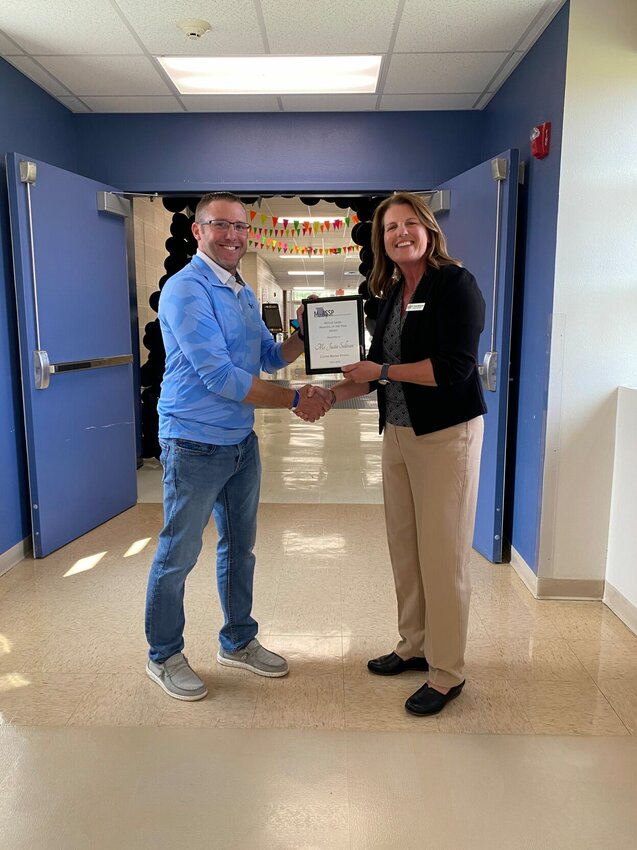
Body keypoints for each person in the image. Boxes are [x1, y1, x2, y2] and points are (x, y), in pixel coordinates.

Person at [145, 191, 330, 701]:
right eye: (220, 225)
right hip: (193, 441)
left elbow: (268, 356)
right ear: (197, 231)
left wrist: (306, 332)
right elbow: (222, 377)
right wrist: (297, 399)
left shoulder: (241, 290)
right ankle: (163, 654)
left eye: (241, 227)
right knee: (179, 553)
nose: (233, 235)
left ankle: (238, 641)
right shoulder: (186, 290)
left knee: (239, 549)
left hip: (239, 443)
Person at [314, 192, 486, 716]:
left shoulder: (455, 284)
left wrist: (382, 373)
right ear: (381, 240)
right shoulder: (387, 294)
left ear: (429, 230)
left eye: (411, 223)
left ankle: (448, 670)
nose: (401, 233)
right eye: (391, 228)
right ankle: (413, 645)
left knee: (444, 554)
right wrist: (322, 395)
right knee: (405, 547)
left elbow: (453, 369)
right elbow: (366, 372)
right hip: (399, 435)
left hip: (445, 436)